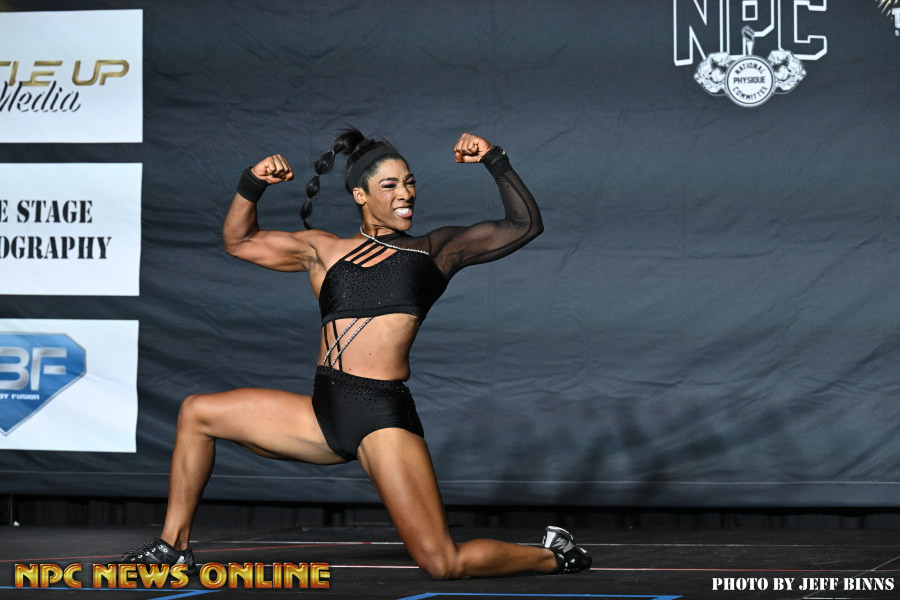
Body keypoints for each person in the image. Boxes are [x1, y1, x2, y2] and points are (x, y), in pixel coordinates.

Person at [121, 128, 591, 579]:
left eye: (409, 182)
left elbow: (524, 225)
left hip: (380, 418)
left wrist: (493, 159)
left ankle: (557, 556)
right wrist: (252, 183)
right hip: (323, 414)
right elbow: (238, 241)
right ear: (360, 196)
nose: (405, 193)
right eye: (390, 185)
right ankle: (173, 548)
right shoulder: (323, 251)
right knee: (197, 413)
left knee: (443, 562)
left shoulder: (435, 251)